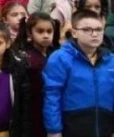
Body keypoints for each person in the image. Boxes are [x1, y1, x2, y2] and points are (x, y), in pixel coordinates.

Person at [42, 9, 114, 137]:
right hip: (72, 126)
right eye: (87, 30)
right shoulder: (60, 58)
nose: (94, 34)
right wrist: (54, 130)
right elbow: (52, 96)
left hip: (105, 126)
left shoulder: (110, 60)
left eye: (98, 29)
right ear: (74, 33)